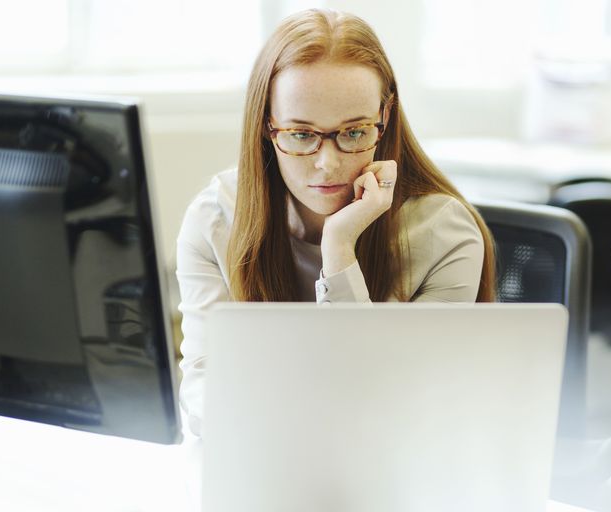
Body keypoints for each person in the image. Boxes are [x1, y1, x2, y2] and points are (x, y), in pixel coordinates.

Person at [176, 8, 496, 435]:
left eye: (355, 131)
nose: (327, 164)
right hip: (264, 463)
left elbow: (396, 411)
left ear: (386, 118)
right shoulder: (216, 220)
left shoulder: (444, 235)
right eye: (302, 135)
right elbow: (203, 392)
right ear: (265, 127)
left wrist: (339, 251)